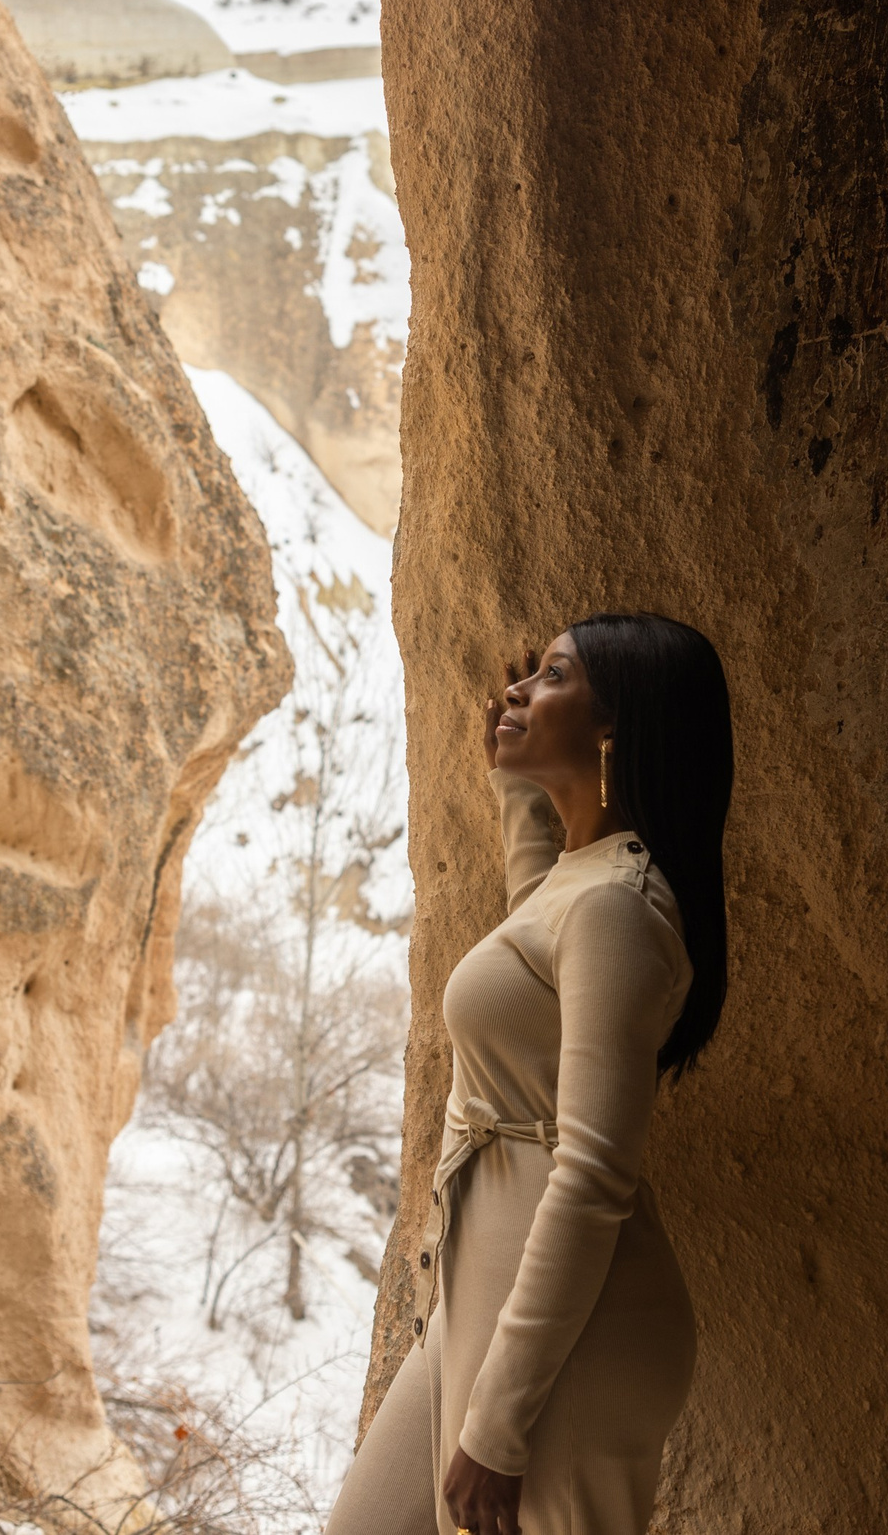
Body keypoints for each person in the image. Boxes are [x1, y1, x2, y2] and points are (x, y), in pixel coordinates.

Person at [326, 612, 734, 1535]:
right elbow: (535, 952)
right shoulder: (583, 881)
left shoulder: (620, 905)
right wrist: (517, 794)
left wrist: (499, 1427)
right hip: (480, 1297)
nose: (516, 689)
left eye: (553, 676)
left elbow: (592, 1173)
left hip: (565, 1344)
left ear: (614, 729)